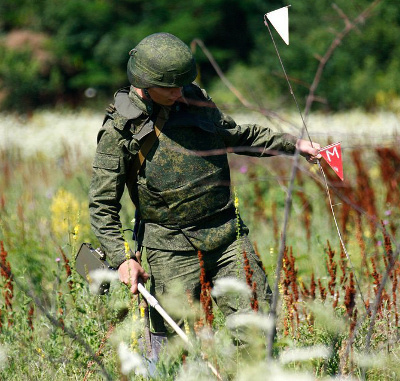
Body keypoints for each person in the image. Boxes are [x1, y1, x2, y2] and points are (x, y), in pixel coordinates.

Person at [89, 32, 321, 332]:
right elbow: (102, 203)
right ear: (145, 83)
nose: (178, 92)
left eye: (181, 84)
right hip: (170, 248)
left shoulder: (193, 100)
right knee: (174, 349)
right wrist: (122, 258)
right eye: (169, 87)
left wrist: (294, 145)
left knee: (259, 331)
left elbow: (237, 136)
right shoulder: (120, 130)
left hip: (227, 237)